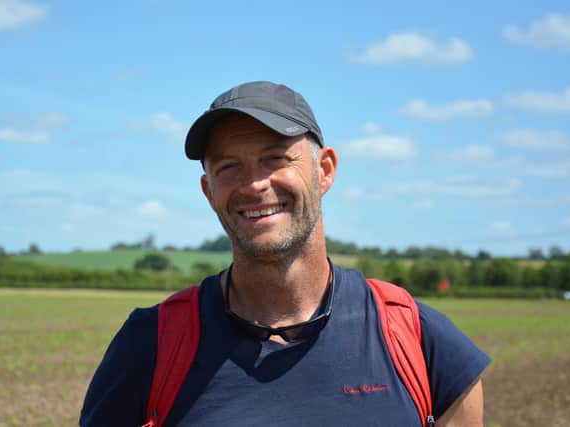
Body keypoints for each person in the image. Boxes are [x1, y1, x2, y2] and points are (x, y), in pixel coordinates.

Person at [80, 81, 490, 426]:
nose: (254, 184)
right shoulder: (150, 345)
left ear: (325, 170)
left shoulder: (422, 344)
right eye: (228, 167)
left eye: (275, 158)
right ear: (209, 192)